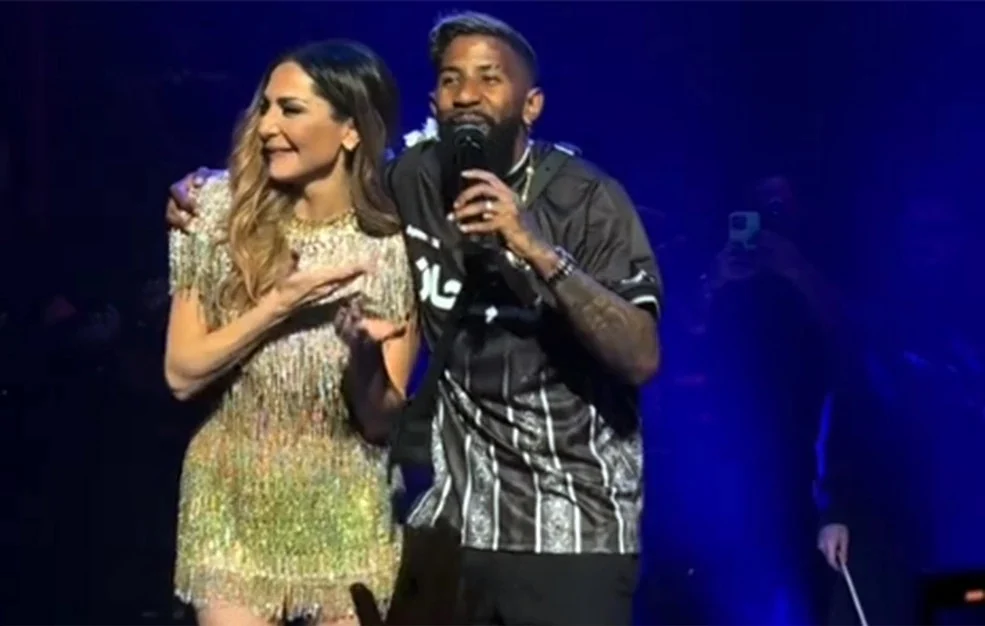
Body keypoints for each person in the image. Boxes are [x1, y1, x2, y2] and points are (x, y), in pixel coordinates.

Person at [168, 12, 663, 625]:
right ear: (434, 103)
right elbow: (326, 179)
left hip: (570, 524)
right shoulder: (411, 181)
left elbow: (641, 356)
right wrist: (210, 188)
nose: (467, 94)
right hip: (454, 523)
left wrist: (534, 246)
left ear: (531, 104)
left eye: (489, 78)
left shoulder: (586, 198)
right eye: (451, 80)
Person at [163, 40, 418, 626]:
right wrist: (280, 304)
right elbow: (181, 374)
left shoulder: (391, 246)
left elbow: (381, 421)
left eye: (291, 110)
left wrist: (363, 356)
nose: (266, 127)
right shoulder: (214, 214)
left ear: (350, 130)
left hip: (347, 509)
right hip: (231, 504)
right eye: (265, 108)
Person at [691, 175, 842, 624]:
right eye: (763, 199)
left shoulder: (810, 255)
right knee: (735, 576)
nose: (771, 209)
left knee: (800, 570)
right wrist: (715, 283)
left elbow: (843, 334)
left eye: (780, 199)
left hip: (799, 436)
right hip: (728, 443)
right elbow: (686, 345)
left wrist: (794, 270)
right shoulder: (722, 268)